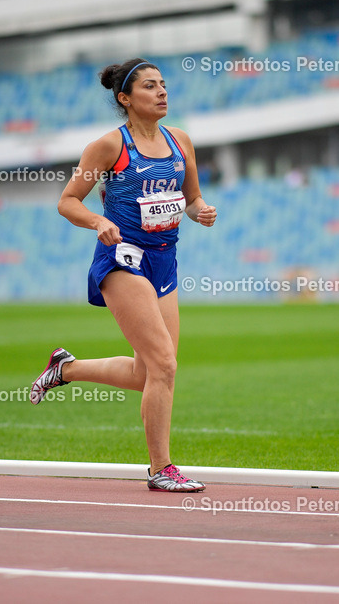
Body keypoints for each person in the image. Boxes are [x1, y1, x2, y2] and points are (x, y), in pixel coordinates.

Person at [29, 58, 217, 492]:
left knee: (147, 372)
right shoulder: (109, 147)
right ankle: (161, 469)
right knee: (165, 364)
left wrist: (200, 212)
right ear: (125, 99)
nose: (162, 92)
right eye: (151, 86)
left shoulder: (181, 141)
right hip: (122, 258)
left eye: (164, 85)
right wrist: (97, 222)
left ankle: (66, 368)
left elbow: (191, 200)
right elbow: (68, 200)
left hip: (164, 259)